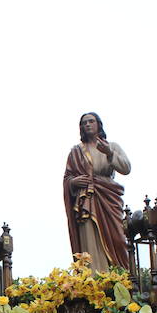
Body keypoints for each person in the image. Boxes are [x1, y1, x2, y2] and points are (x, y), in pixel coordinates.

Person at [63, 112, 131, 272]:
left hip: (108, 197)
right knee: (89, 239)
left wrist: (109, 153)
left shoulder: (111, 146)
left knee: (118, 238)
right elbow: (67, 177)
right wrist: (73, 182)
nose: (87, 125)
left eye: (91, 121)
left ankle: (121, 275)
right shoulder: (76, 152)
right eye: (84, 122)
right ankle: (94, 279)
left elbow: (126, 168)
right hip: (87, 199)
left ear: (98, 124)